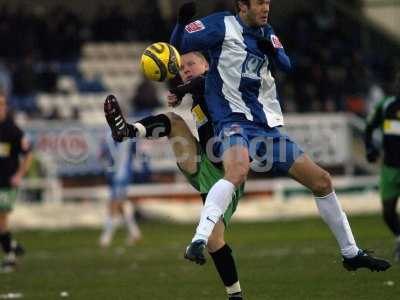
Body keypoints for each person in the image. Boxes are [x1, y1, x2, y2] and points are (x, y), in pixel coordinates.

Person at [170, 0, 391, 272]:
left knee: (322, 181)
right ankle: (199, 239)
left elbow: (286, 64)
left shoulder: (267, 31)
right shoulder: (220, 25)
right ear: (242, 6)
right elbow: (179, 47)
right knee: (236, 171)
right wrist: (181, 22)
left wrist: (270, 51)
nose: (266, 7)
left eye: (268, 2)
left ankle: (351, 253)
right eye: (260, 3)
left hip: (265, 127)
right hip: (232, 120)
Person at [104, 51, 245, 299]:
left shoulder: (218, 80)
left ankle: (235, 295)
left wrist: (181, 89)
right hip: (203, 163)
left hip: (228, 173)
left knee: (214, 241)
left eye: (191, 64)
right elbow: (188, 87)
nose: (186, 69)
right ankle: (127, 130)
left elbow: (204, 81)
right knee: (173, 120)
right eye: (181, 67)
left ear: (206, 64)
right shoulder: (194, 91)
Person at [365, 71, 400, 261]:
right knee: (388, 211)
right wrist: (370, 147)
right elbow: (369, 126)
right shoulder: (386, 105)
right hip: (390, 167)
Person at [0, 92, 32, 272]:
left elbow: (28, 154)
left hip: (6, 182)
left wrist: (19, 174)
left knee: (1, 218)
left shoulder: (12, 129)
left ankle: (10, 256)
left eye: (2, 104)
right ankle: (12, 246)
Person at [99, 132, 141, 247]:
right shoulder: (111, 133)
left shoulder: (121, 134)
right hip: (115, 173)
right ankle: (134, 232)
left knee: (113, 203)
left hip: (121, 174)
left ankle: (106, 236)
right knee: (120, 203)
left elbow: (103, 154)